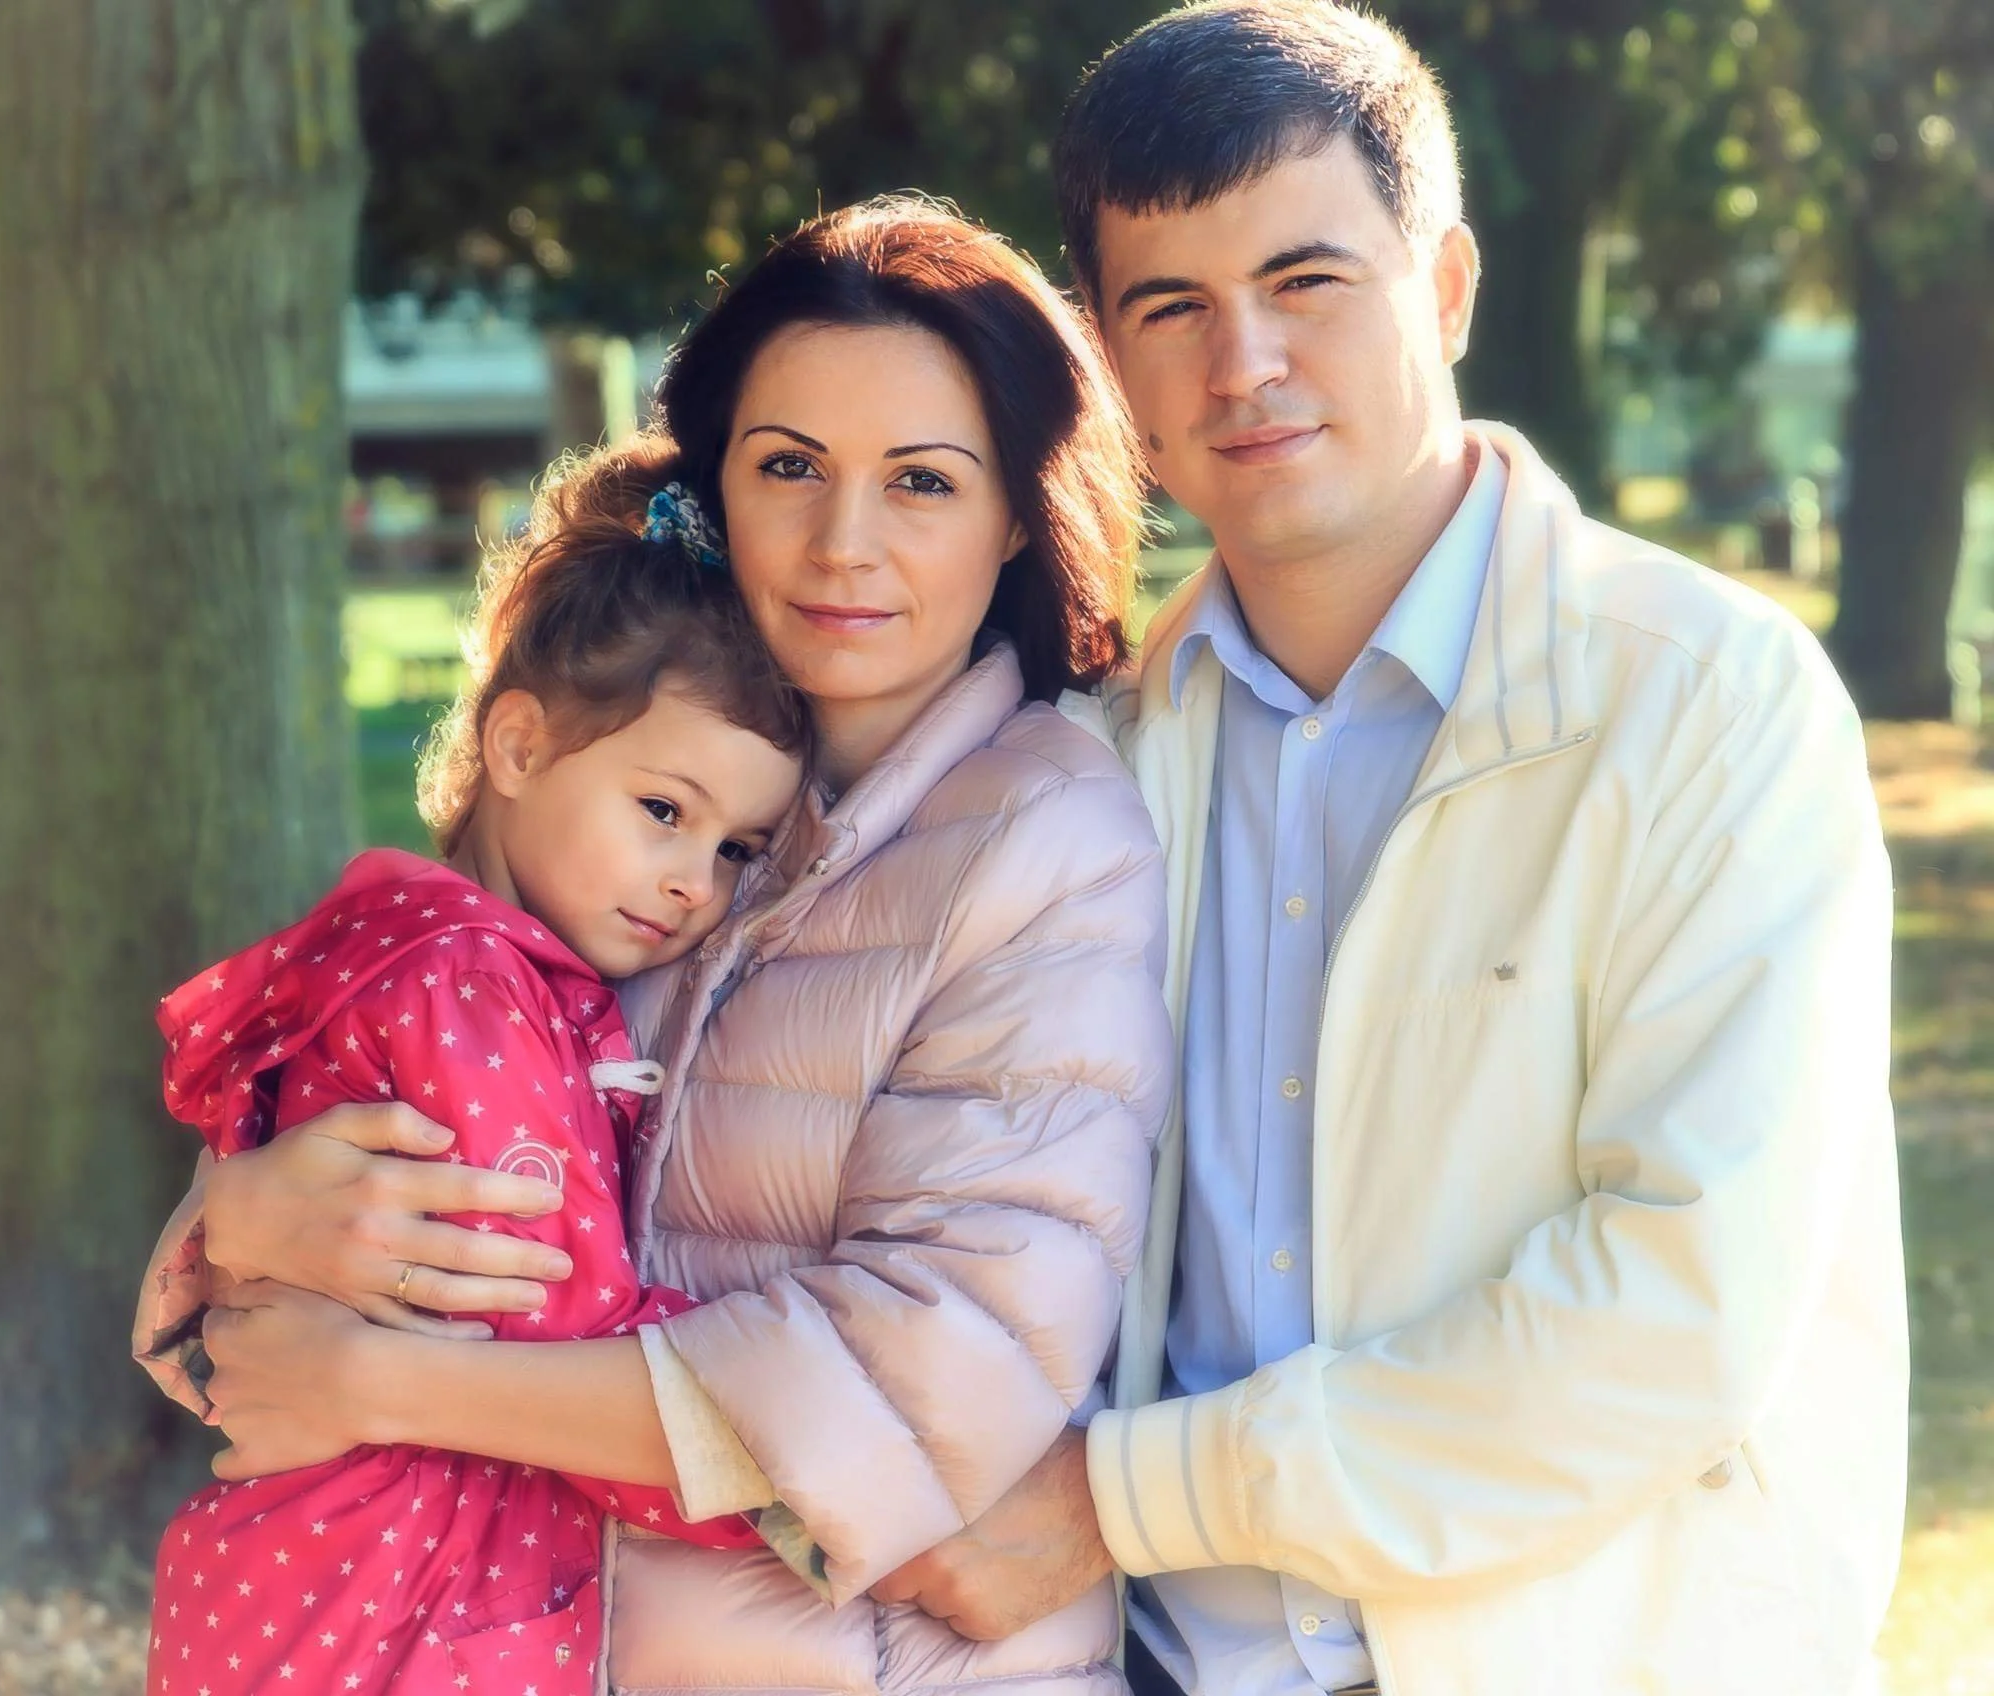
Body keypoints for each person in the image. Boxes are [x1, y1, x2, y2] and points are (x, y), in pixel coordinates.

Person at [871, 6, 1909, 1694]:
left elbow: (1672, 1315)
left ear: (1440, 286)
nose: (1242, 365)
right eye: (1170, 309)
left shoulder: (1702, 705)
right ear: (1109, 363)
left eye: (1306, 283)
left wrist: (1119, 1498)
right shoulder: (1084, 767)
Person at [133, 197, 1172, 1696]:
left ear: (1015, 514)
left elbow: (932, 1383)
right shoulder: (653, 791)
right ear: (720, 486)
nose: (844, 543)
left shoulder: (1046, 837)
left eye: (925, 483)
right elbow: (408, 1080)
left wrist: (383, 1379)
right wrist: (238, 1227)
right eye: (789, 467)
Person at [140, 475, 806, 1693]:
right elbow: (558, 1310)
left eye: (734, 850)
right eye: (662, 809)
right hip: (386, 1599)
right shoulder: (466, 987)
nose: (690, 883)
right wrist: (809, 1477)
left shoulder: (414, 949)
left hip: (340, 1573)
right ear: (515, 743)